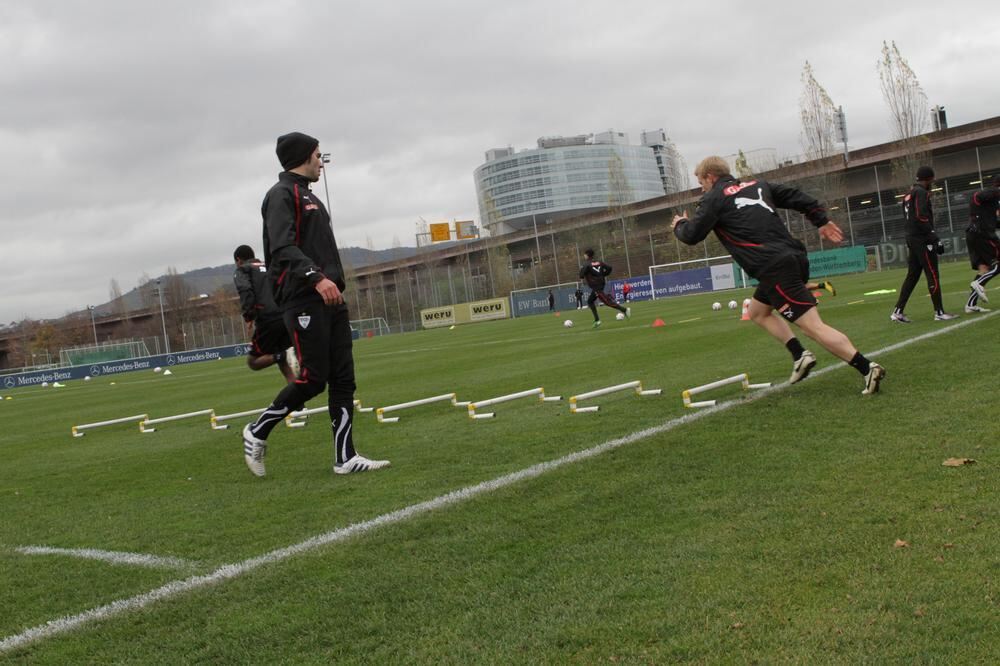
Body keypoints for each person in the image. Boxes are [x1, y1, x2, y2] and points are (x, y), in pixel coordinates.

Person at [241, 132, 389, 477]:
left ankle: (345, 457)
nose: (322, 162)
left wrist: (331, 283)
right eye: (318, 155)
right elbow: (282, 248)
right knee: (313, 379)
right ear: (303, 156)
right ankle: (257, 430)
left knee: (344, 378)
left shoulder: (310, 196)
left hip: (331, 298)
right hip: (304, 297)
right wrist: (316, 278)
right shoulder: (280, 195)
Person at [671, 156, 884, 395]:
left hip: (773, 267)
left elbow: (691, 235)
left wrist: (680, 224)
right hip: (794, 257)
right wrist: (821, 221)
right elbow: (799, 197)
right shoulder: (758, 185)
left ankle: (867, 368)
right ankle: (799, 354)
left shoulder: (713, 198)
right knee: (757, 312)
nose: (702, 189)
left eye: (702, 183)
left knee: (813, 327)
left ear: (710, 177)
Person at [889, 166, 959, 322]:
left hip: (911, 237)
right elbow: (921, 216)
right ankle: (939, 312)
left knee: (912, 276)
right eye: (932, 179)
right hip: (922, 239)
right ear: (929, 178)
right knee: (932, 273)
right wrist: (934, 237)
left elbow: (909, 217)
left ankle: (897, 311)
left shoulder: (908, 194)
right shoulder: (922, 192)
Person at [233, 245, 298, 383]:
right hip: (287, 314)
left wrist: (248, 316)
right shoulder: (269, 265)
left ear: (238, 260)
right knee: (282, 363)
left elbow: (245, 290)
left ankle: (283, 355)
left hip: (268, 319)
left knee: (253, 362)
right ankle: (296, 395)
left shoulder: (243, 269)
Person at [963, 175, 1000, 313]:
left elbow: (992, 221)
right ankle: (978, 283)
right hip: (982, 235)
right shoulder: (993, 193)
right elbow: (976, 196)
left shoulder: (992, 201)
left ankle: (970, 305)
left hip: (974, 234)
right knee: (998, 265)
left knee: (984, 268)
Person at [578, 249, 629, 328]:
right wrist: (603, 274)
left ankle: (624, 310)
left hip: (596, 286)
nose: (584, 256)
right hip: (601, 284)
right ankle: (597, 320)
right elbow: (609, 268)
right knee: (590, 301)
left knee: (607, 302)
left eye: (584, 254)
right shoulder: (599, 262)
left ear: (587, 255)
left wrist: (582, 270)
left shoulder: (586, 264)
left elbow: (581, 276)